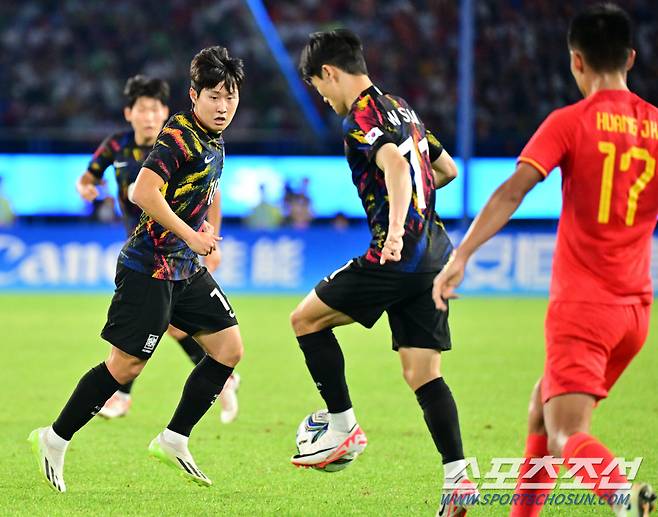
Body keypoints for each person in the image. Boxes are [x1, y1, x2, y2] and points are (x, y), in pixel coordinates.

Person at [432, 5, 656, 516]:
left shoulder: (570, 122)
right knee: (540, 410)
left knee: (565, 435)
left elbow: (513, 193)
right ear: (631, 58)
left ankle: (626, 499)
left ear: (576, 61)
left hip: (584, 309)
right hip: (637, 313)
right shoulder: (656, 126)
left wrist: (461, 255)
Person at [29, 46, 245, 492]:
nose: (223, 106)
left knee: (228, 348)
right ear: (193, 96)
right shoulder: (178, 137)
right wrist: (192, 235)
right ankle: (54, 437)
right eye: (213, 96)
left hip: (185, 270)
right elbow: (142, 193)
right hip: (150, 268)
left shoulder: (214, 140)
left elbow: (209, 194)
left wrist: (203, 236)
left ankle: (174, 438)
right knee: (124, 368)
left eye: (230, 96)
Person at [291, 29, 478, 516]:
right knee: (422, 371)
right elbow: (447, 169)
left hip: (401, 254)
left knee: (305, 320)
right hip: (435, 250)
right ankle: (457, 478)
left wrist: (395, 229)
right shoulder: (403, 109)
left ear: (329, 73)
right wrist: (414, 203)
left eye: (318, 86)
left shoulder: (361, 117)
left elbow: (395, 164)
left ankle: (342, 427)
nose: (322, 96)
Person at [76, 75, 240, 423]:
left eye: (156, 110)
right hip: (143, 249)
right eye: (143, 110)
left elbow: (212, 191)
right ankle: (218, 377)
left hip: (174, 252)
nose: (150, 117)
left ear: (165, 111)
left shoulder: (175, 144)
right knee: (166, 326)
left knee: (155, 327)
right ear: (129, 113)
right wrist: (87, 188)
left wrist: (210, 239)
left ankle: (123, 394)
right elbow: (87, 177)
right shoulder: (116, 148)